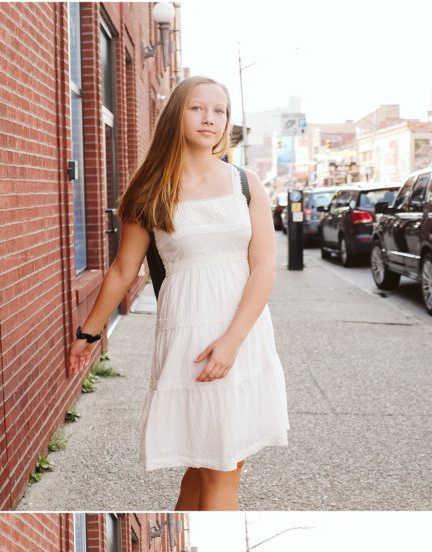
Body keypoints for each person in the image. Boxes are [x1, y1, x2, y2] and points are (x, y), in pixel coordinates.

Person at [68, 75, 289, 511]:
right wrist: (89, 333)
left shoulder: (246, 183)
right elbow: (122, 270)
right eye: (197, 108)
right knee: (220, 464)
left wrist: (232, 341)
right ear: (176, 115)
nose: (210, 118)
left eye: (220, 110)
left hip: (243, 333)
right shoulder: (149, 191)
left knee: (215, 462)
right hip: (191, 336)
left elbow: (264, 267)